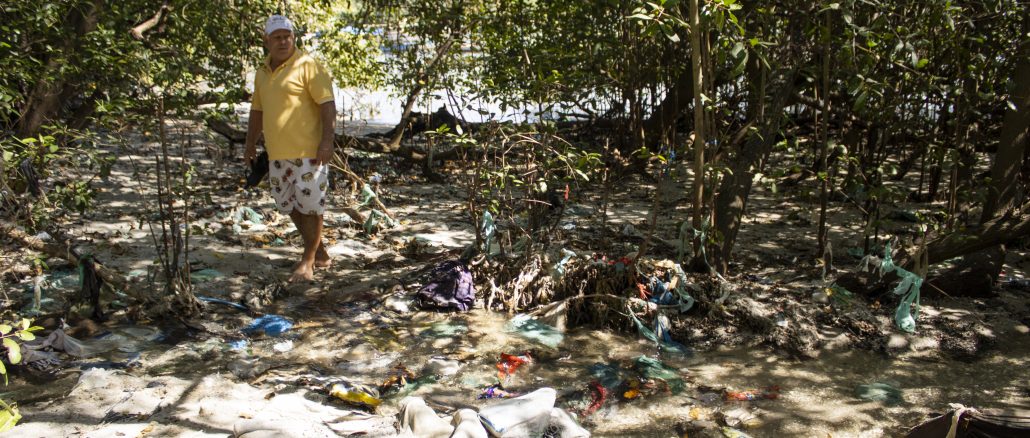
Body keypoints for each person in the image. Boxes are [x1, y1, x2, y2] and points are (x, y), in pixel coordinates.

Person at [245, 15, 336, 282]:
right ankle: (319, 252)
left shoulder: (308, 65)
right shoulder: (262, 72)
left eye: (287, 36)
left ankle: (307, 261)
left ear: (293, 38)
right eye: (277, 37)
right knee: (288, 204)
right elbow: (257, 110)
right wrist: (250, 143)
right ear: (267, 41)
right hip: (276, 153)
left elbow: (327, 104)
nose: (283, 41)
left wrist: (327, 141)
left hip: (310, 153)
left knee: (312, 207)